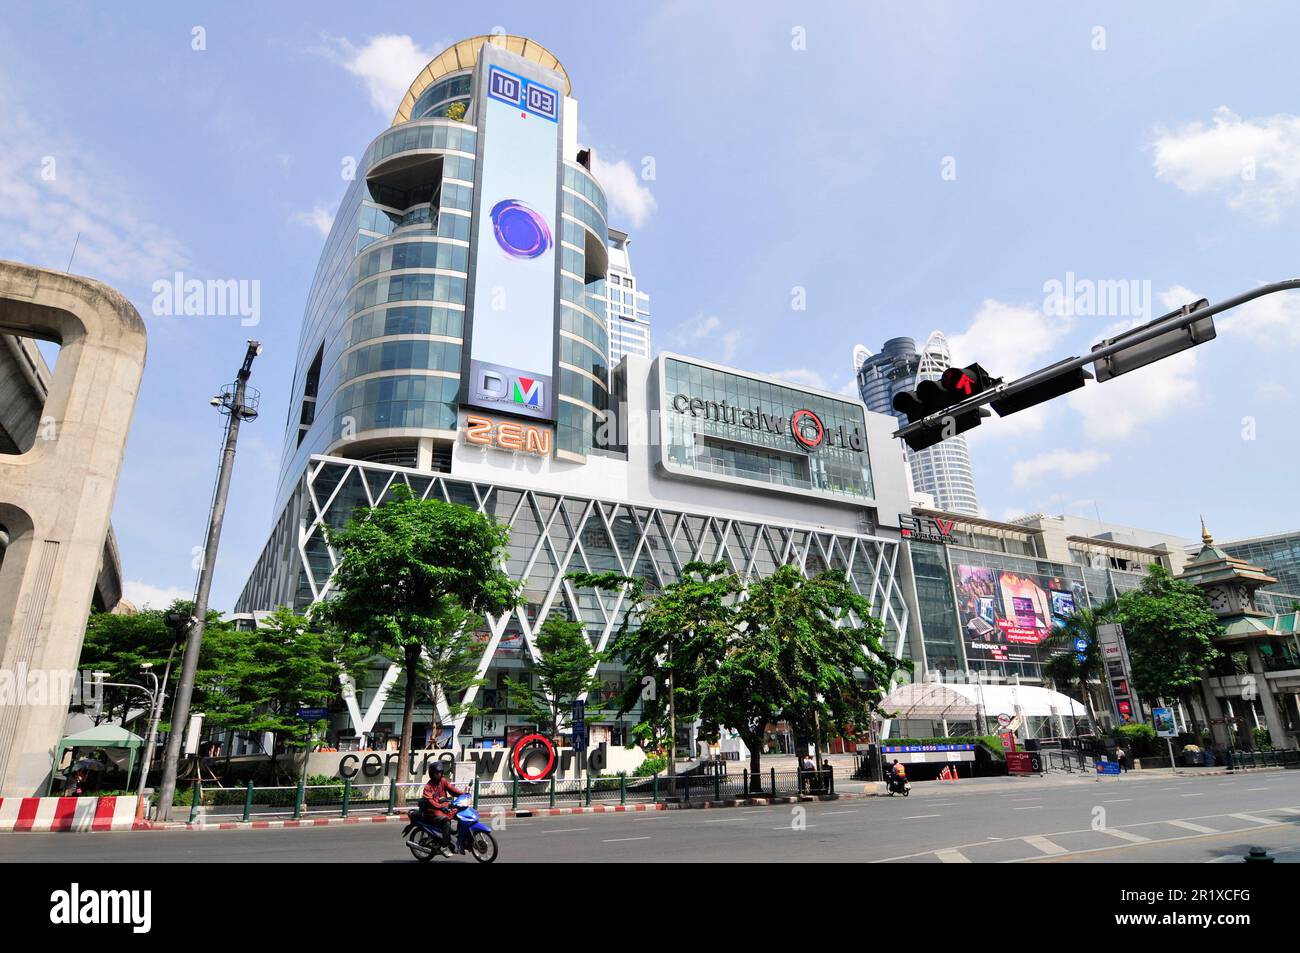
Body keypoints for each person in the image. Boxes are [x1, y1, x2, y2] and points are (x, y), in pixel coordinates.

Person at [420, 762, 468, 854]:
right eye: (436, 773)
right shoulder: (428, 787)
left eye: (440, 772)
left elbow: (452, 789)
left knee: (459, 815)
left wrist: (463, 794)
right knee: (446, 821)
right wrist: (441, 807)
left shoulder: (443, 781)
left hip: (443, 809)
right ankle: (444, 846)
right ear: (432, 774)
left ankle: (460, 838)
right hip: (431, 812)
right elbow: (431, 802)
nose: (439, 775)